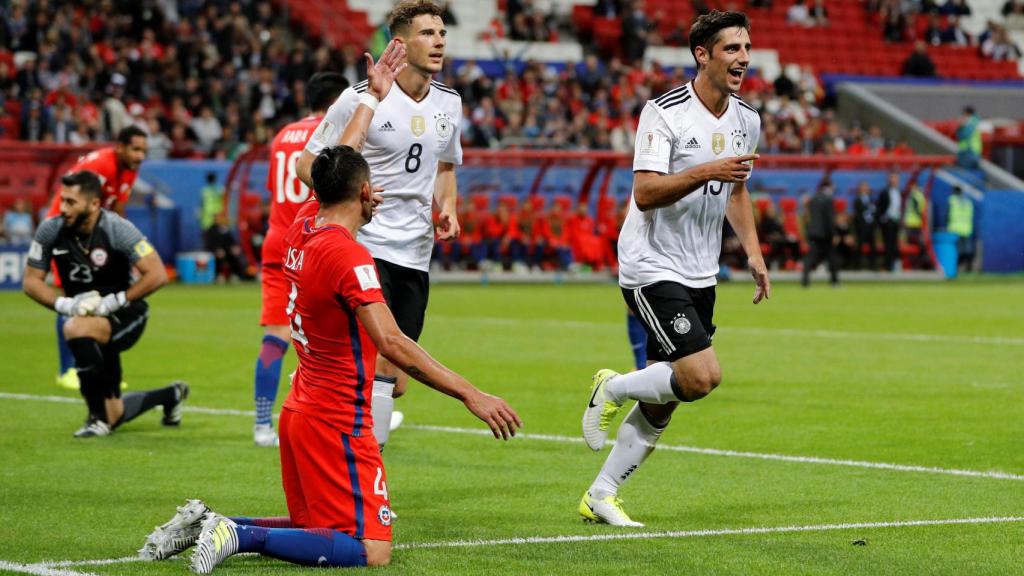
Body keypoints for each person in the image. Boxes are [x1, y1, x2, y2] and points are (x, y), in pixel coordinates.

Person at [138, 145, 521, 573]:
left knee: (314, 527)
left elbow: (320, 180)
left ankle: (211, 523)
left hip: (301, 408)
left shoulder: (301, 226)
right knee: (371, 549)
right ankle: (240, 535)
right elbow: (392, 342)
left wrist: (365, 118)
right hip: (339, 418)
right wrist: (471, 394)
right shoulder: (348, 256)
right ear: (364, 191)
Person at [579, 10, 768, 526]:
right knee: (702, 375)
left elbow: (738, 189)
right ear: (702, 55)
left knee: (671, 398)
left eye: (746, 47)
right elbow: (644, 191)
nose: (743, 58)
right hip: (650, 262)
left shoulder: (747, 119)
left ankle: (601, 494)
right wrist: (708, 168)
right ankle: (613, 387)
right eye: (732, 48)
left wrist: (752, 250)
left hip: (700, 270)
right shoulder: (663, 113)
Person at [296, 0, 463, 451]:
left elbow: (446, 167)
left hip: (415, 251)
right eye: (427, 33)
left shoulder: (450, 103)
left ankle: (356, 447)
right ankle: (367, 469)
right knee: (383, 362)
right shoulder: (359, 97)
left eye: (441, 33)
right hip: (365, 244)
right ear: (400, 43)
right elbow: (307, 163)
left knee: (394, 376)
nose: (439, 41)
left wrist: (447, 207)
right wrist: (347, 196)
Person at [22, 171, 187, 438]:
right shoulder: (50, 229)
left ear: (94, 204)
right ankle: (171, 395)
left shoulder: (117, 228)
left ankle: (95, 419)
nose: (63, 208)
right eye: (62, 200)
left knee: (76, 329)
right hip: (85, 315)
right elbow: (31, 281)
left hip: (127, 312)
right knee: (116, 413)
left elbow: (156, 273)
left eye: (71, 202)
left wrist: (116, 301)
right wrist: (65, 305)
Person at [251, 71, 349, 447]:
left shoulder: (281, 135)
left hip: (278, 239)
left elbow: (275, 188)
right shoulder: (334, 133)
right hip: (314, 236)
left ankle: (262, 425)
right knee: (339, 332)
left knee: (277, 334)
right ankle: (362, 409)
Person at [46, 125, 149, 391]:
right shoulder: (100, 166)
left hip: (96, 234)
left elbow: (118, 208)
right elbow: (70, 201)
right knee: (74, 297)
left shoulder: (129, 169)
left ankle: (104, 368)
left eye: (144, 151)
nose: (140, 156)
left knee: (105, 297)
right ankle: (68, 369)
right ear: (120, 147)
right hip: (68, 230)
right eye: (136, 149)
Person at [801, 180, 839, 286]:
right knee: (832, 256)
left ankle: (805, 281)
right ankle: (834, 281)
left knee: (810, 257)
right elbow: (829, 218)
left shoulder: (813, 199)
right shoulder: (829, 199)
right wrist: (834, 233)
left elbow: (809, 216)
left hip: (813, 232)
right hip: (825, 233)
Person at [876, 171, 902, 272]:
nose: (895, 181)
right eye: (893, 178)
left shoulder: (899, 191)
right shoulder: (884, 192)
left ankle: (894, 265)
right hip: (887, 221)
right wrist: (882, 219)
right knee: (888, 244)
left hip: (896, 220)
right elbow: (880, 207)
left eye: (896, 179)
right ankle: (887, 265)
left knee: (895, 243)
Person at [947, 185, 974, 272]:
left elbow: (947, 214)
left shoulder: (952, 200)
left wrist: (947, 225)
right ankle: (968, 268)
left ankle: (956, 268)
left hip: (955, 228)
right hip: (967, 228)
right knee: (967, 249)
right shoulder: (968, 202)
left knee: (957, 250)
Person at [852, 181, 877, 270]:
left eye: (866, 186)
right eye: (863, 186)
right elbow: (858, 211)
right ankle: (857, 266)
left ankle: (873, 265)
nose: (865, 188)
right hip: (861, 226)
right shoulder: (857, 199)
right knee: (859, 246)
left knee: (872, 246)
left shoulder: (870, 198)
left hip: (870, 225)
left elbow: (874, 210)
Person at [902, 183, 928, 269]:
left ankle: (922, 263)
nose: (910, 188)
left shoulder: (916, 196)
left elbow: (919, 211)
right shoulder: (913, 196)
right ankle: (915, 264)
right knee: (912, 246)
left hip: (915, 224)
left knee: (917, 245)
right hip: (912, 224)